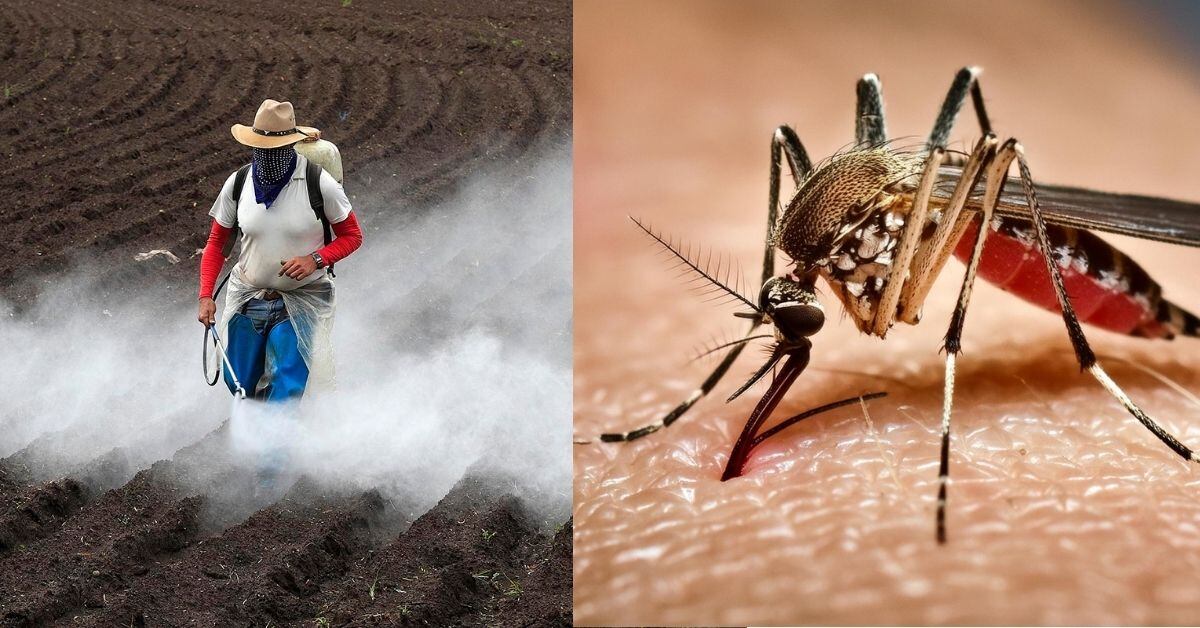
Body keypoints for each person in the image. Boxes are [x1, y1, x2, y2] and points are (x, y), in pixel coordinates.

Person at [197, 99, 363, 403]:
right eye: (260, 149)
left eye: (273, 151)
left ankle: (275, 447)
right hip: (250, 298)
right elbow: (217, 243)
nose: (266, 157)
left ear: (290, 148)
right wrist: (206, 295)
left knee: (286, 387)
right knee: (241, 385)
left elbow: (352, 236)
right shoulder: (239, 183)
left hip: (301, 301)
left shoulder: (319, 183)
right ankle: (255, 439)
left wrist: (315, 260)